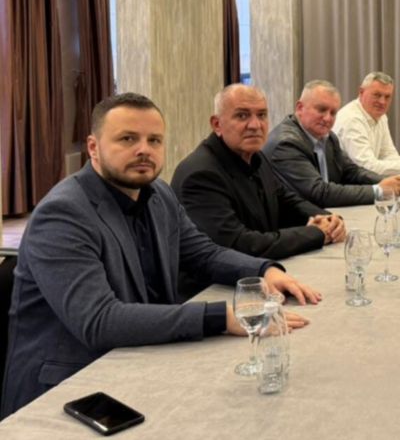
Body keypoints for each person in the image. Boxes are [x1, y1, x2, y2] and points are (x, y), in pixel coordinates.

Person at [1, 93, 321, 418]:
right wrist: (220, 318)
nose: (144, 150)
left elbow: (203, 253)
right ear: (93, 147)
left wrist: (264, 271)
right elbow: (99, 320)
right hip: (69, 393)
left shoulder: (158, 194)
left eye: (154, 140)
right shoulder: (63, 213)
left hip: (143, 362)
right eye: (128, 139)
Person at [172, 84, 345, 267]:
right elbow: (240, 245)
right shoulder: (201, 175)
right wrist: (317, 233)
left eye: (261, 115)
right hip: (218, 281)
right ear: (217, 124)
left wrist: (328, 219)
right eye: (242, 116)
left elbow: (286, 201)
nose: (255, 125)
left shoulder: (255, 156)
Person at [264, 80, 400, 207]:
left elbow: (351, 171)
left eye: (333, 113)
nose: (328, 118)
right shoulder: (286, 144)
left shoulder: (328, 137)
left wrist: (390, 182)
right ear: (300, 108)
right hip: (296, 223)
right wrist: (378, 190)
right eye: (321, 110)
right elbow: (319, 193)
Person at [333, 72, 400, 177]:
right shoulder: (352, 119)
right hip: (346, 183)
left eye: (387, 97)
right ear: (361, 92)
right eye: (377, 95)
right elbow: (367, 167)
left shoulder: (381, 116)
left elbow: (388, 154)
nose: (382, 102)